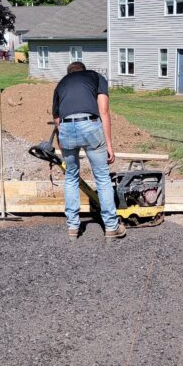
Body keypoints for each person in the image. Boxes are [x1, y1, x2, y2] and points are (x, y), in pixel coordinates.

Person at [53, 61, 126, 241]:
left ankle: (73, 227)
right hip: (90, 125)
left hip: (66, 128)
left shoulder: (61, 84)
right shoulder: (95, 77)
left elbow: (56, 118)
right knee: (102, 177)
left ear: (69, 73)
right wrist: (109, 145)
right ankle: (111, 227)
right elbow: (104, 111)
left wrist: (62, 143)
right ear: (83, 71)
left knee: (71, 177)